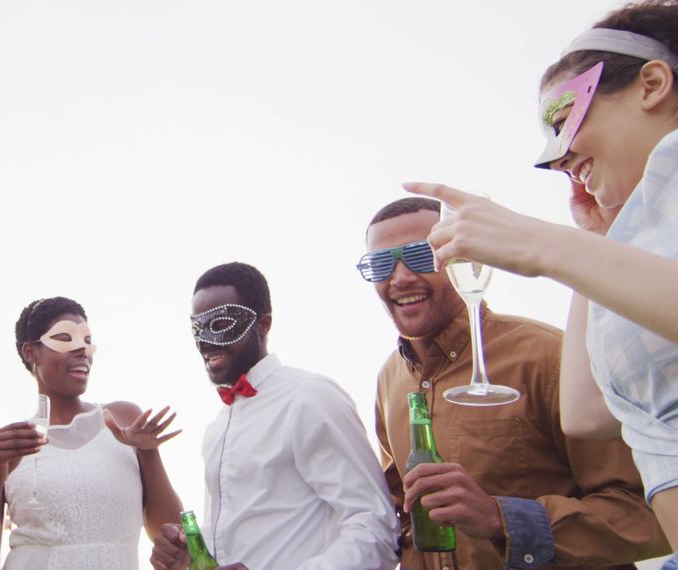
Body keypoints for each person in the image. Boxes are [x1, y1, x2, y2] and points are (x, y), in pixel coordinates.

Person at [404, 0, 678, 553]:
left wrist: (543, 245)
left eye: (562, 120)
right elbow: (587, 413)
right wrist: (594, 242)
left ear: (652, 84)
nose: (554, 159)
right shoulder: (639, 238)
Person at [362, 197, 669, 569]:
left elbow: (646, 512)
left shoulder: (547, 356)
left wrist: (499, 518)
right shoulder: (389, 380)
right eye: (381, 263)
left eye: (421, 255)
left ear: (462, 257)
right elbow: (405, 515)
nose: (400, 277)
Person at [151, 262, 399, 570]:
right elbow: (239, 539)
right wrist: (188, 550)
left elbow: (376, 527)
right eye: (198, 328)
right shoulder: (218, 425)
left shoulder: (310, 397)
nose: (206, 340)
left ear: (264, 324)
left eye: (220, 324)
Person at [0, 296, 183, 570]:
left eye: (88, 341)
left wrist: (148, 451)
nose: (82, 350)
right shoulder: (5, 447)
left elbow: (173, 535)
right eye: (65, 338)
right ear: (31, 352)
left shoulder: (123, 419)